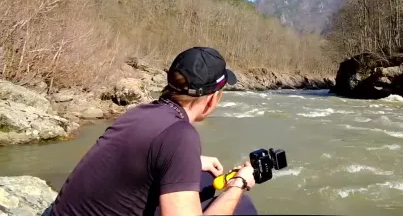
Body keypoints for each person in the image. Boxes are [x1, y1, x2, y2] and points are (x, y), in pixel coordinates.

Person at [43, 47, 258, 216]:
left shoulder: (141, 112)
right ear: (212, 99)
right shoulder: (180, 135)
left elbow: (137, 157)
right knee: (241, 207)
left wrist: (193, 160)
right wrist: (240, 184)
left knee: (203, 180)